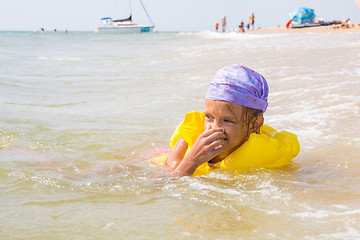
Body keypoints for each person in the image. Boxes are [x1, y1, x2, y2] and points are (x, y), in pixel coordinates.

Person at [162, 64, 299, 176]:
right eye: (209, 117)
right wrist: (192, 161)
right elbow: (163, 181)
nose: (214, 128)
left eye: (227, 120)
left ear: (254, 125)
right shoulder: (192, 134)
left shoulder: (270, 153)